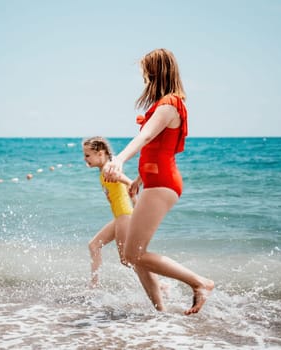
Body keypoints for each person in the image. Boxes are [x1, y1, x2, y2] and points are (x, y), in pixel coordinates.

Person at [103, 48, 214, 315]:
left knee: (133, 255)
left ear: (155, 72)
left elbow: (145, 138)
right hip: (156, 181)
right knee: (134, 254)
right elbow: (161, 147)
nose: (144, 79)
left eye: (145, 73)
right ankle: (160, 313)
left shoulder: (168, 105)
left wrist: (119, 160)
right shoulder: (168, 105)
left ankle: (200, 283)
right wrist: (140, 177)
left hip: (163, 183)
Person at [82, 136, 135, 288]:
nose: (85, 159)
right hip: (122, 216)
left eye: (87, 155)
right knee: (94, 245)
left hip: (124, 216)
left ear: (100, 153)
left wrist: (132, 186)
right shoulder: (106, 169)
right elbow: (126, 188)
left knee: (127, 260)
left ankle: (161, 286)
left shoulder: (108, 169)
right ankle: (94, 286)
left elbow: (130, 183)